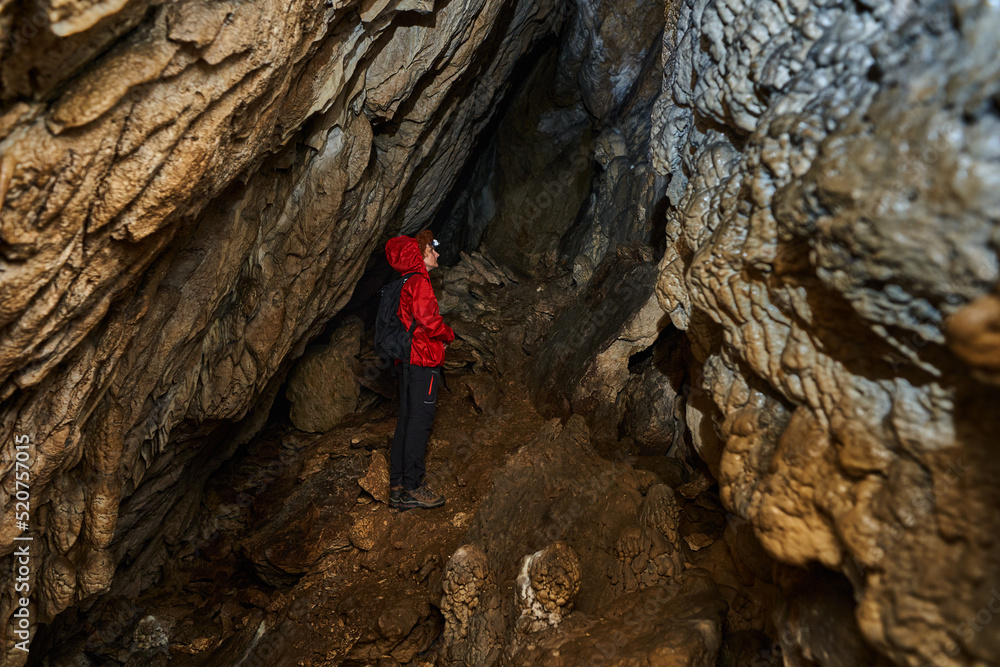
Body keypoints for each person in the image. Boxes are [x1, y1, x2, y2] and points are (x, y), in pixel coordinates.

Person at [385, 230, 455, 509]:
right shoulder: (420, 283)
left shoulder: (406, 282)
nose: (436, 254)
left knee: (406, 420)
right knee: (419, 422)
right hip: (423, 361)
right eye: (431, 250)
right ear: (419, 255)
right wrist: (449, 334)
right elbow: (429, 322)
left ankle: (398, 486)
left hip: (408, 360)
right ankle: (414, 486)